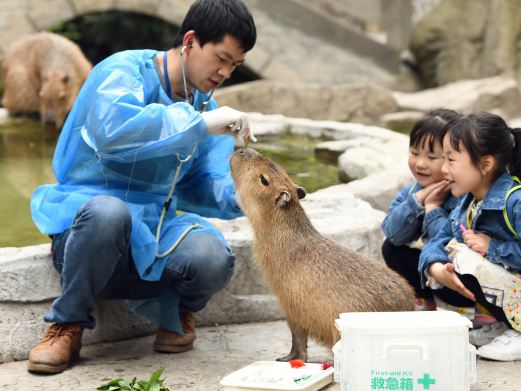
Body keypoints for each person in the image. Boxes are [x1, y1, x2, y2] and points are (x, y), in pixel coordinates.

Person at [28, 0, 257, 374]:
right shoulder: (122, 72)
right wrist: (199, 124)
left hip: (153, 231)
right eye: (221, 58)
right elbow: (114, 131)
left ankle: (178, 312)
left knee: (212, 255)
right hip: (87, 228)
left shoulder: (204, 104)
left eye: (234, 64)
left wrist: (246, 197)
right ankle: (67, 323)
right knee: (108, 213)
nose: (225, 72)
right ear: (190, 40)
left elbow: (200, 185)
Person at [420, 112, 521, 361]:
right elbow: (440, 241)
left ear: (485, 165)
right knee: (456, 256)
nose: (443, 169)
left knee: (467, 258)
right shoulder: (467, 204)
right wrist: (434, 267)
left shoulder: (514, 202)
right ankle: (506, 323)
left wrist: (493, 246)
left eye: (451, 160)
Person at [382, 109, 461, 311]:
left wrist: (433, 208)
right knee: (391, 248)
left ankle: (472, 310)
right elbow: (392, 232)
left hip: (455, 277)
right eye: (415, 153)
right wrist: (417, 201)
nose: (420, 163)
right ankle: (423, 301)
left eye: (432, 156)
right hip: (430, 276)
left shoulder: (462, 192)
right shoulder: (412, 189)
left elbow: (451, 246)